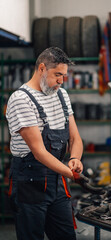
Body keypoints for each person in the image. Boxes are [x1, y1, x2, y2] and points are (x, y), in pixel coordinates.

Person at [6, 47, 83, 240]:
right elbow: (39, 152)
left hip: (57, 180)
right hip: (30, 182)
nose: (61, 81)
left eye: (64, 76)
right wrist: (72, 174)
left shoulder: (62, 95)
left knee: (65, 236)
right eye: (57, 74)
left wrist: (75, 158)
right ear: (41, 68)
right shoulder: (21, 99)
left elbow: (75, 138)